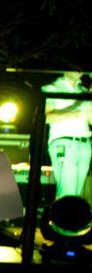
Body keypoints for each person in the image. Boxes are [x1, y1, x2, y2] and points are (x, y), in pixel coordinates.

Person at [43, 71, 92, 200]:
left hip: (85, 144)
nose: (79, 70)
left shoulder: (83, 91)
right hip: (64, 142)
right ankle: (60, 213)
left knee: (76, 194)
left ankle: (69, 212)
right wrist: (76, 114)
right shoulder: (52, 88)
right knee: (67, 190)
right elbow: (46, 117)